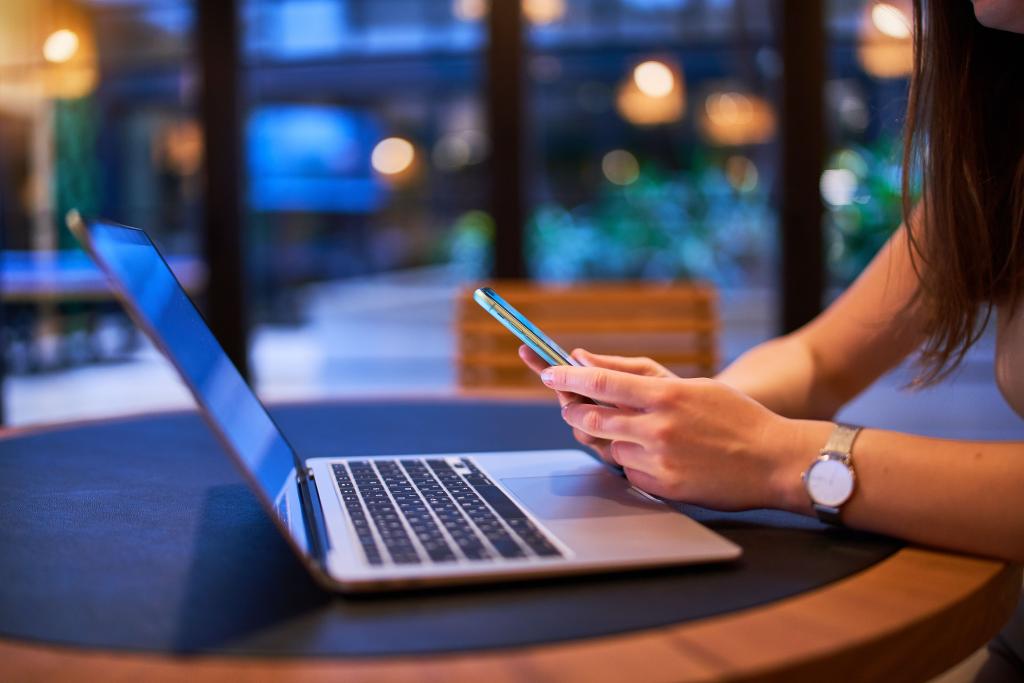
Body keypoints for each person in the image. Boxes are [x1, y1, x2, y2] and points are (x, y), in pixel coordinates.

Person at [521, 0, 1024, 677]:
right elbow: (820, 358)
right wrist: (692, 417)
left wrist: (773, 456)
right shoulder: (1000, 162)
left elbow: (779, 433)